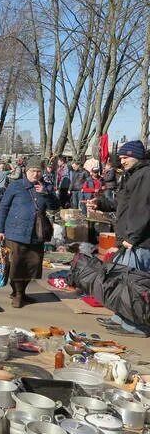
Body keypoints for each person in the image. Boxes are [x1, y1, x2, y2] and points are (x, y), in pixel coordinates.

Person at [86, 140, 150, 336]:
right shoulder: (132, 175)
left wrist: (132, 237)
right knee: (122, 282)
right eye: (120, 157)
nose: (122, 161)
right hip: (127, 238)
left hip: (138, 241)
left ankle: (136, 326)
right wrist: (101, 204)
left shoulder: (145, 174)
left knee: (134, 287)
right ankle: (121, 317)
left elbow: (143, 209)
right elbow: (122, 203)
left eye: (125, 157)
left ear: (137, 156)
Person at [0, 157, 58, 308]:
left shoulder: (47, 187)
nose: (35, 174)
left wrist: (45, 194)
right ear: (26, 171)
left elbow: (55, 207)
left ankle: (22, 293)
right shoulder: (16, 186)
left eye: (38, 171)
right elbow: (3, 207)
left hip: (37, 233)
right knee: (16, 265)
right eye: (32, 171)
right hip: (15, 232)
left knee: (32, 265)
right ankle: (17, 294)